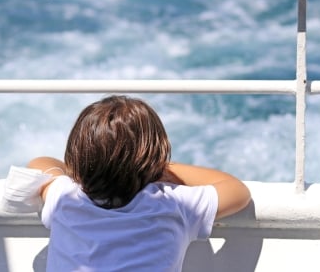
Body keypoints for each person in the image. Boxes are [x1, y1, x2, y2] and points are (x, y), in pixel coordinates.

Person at [27, 95, 251, 271]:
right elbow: (237, 190)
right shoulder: (174, 205)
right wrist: (155, 168)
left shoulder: (64, 199)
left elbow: (39, 163)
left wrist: (82, 170)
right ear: (153, 159)